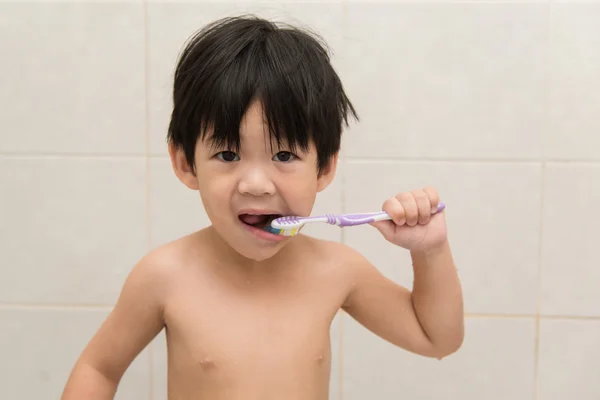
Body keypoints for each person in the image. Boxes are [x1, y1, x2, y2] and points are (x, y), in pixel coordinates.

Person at [61, 15, 464, 400]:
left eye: (285, 155)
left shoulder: (337, 270)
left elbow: (436, 338)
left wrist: (429, 251)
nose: (256, 184)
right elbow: (98, 368)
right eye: (228, 154)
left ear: (324, 167)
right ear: (186, 164)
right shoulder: (165, 275)